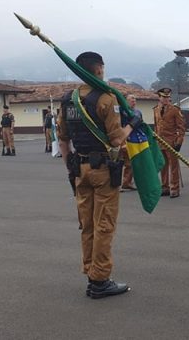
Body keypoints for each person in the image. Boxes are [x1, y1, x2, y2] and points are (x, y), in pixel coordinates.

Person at [58, 51, 140, 298]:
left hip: (79, 170)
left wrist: (71, 167)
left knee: (87, 225)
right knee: (104, 224)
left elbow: (62, 139)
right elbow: (116, 139)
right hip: (103, 170)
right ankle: (100, 280)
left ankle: (91, 272)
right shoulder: (106, 99)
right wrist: (133, 123)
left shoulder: (68, 99)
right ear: (99, 69)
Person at [153, 88, 185, 198]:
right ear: (159, 97)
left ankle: (174, 188)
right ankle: (165, 187)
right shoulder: (156, 109)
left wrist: (179, 142)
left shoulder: (175, 110)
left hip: (171, 142)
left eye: (168, 97)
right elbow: (157, 127)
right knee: (163, 166)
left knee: (173, 166)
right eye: (164, 97)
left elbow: (181, 128)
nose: (166, 99)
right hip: (160, 142)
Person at [119, 95, 141, 191]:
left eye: (135, 99)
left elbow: (141, 125)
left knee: (131, 163)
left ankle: (127, 182)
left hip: (134, 139)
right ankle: (117, 184)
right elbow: (118, 125)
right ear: (126, 101)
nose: (133, 101)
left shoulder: (138, 112)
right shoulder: (121, 111)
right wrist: (122, 142)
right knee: (119, 162)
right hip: (122, 138)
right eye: (131, 99)